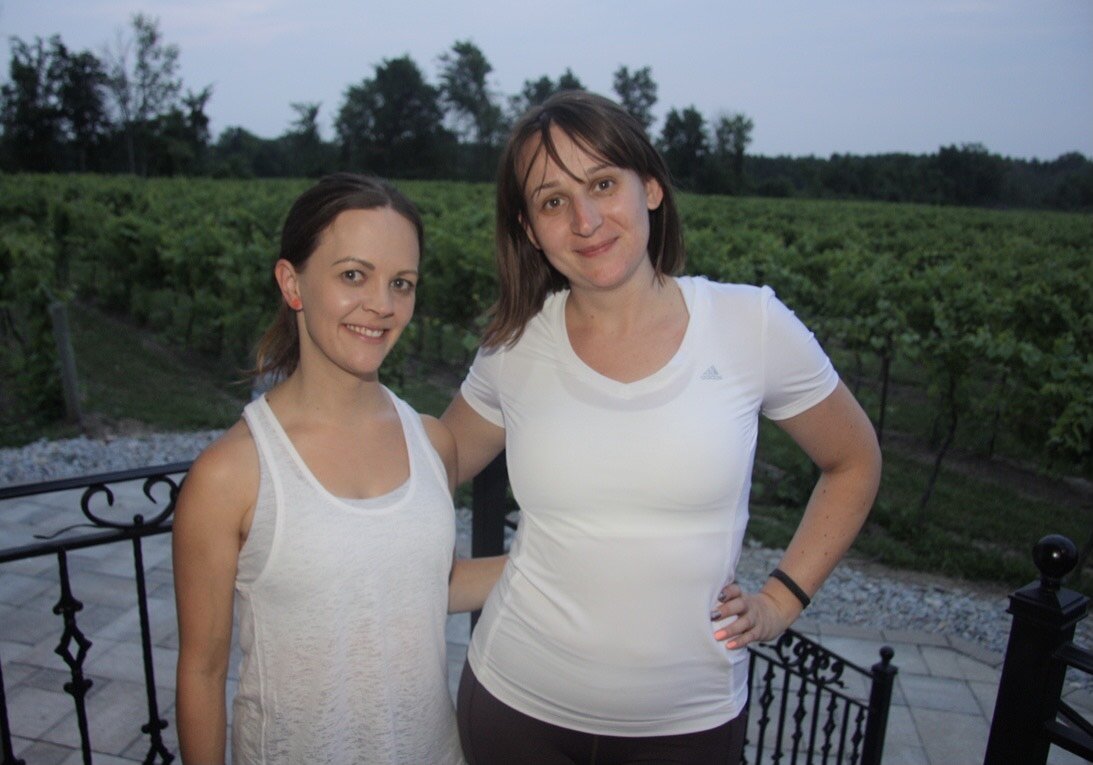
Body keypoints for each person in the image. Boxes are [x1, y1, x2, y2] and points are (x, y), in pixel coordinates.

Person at [441, 90, 883, 764]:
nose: (586, 219)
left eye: (602, 184)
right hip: (514, 704)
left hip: (687, 727)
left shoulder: (749, 326)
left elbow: (853, 460)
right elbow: (429, 469)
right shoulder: (515, 346)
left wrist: (782, 598)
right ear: (530, 229)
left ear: (649, 187)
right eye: (553, 201)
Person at [172, 173, 504, 765]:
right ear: (292, 283)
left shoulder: (431, 443)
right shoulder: (232, 475)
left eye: (401, 283)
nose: (382, 304)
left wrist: (573, 559)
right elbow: (202, 671)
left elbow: (429, 583)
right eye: (354, 275)